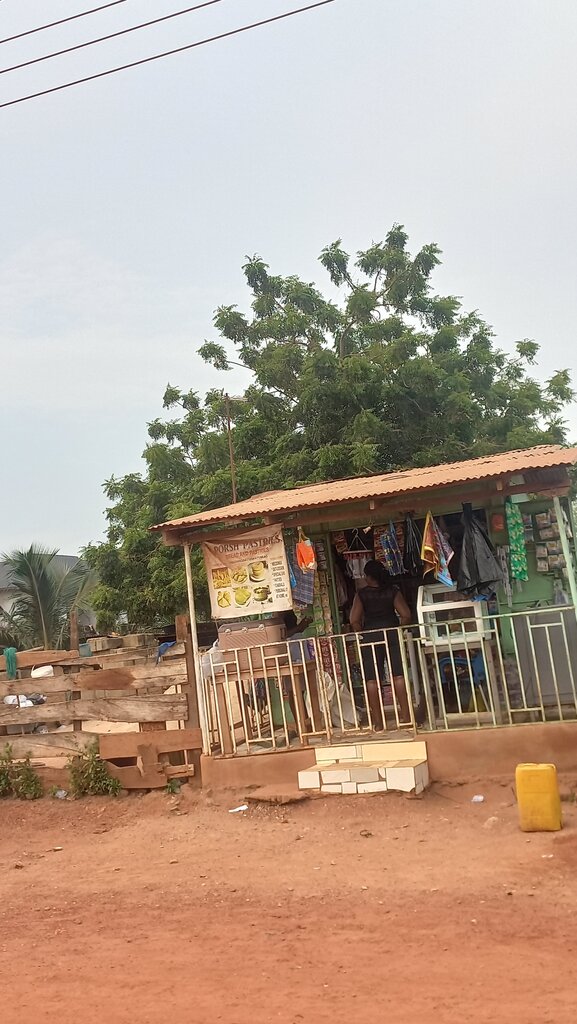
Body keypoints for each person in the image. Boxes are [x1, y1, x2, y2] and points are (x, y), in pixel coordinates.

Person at [349, 559, 412, 729]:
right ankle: (406, 719)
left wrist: (360, 633)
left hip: (370, 637)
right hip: (392, 634)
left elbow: (354, 619)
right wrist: (399, 628)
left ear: (368, 577)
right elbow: (406, 615)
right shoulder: (392, 591)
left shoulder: (362, 595)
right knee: (398, 676)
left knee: (371, 680)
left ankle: (378, 723)